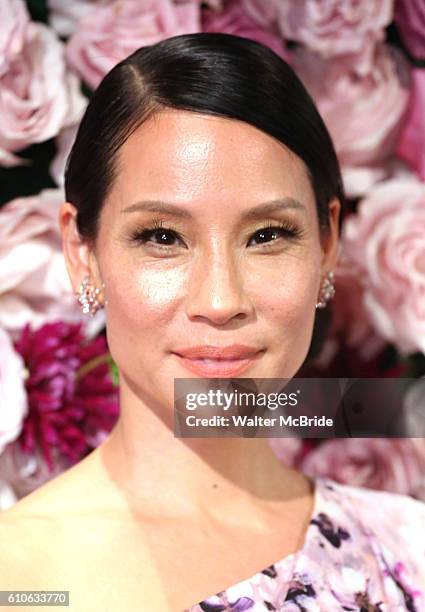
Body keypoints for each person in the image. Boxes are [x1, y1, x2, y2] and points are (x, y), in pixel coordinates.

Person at [1, 33, 424, 612]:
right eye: (162, 237)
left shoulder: (409, 549)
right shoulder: (18, 581)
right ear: (83, 251)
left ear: (327, 243)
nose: (222, 300)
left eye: (268, 236)